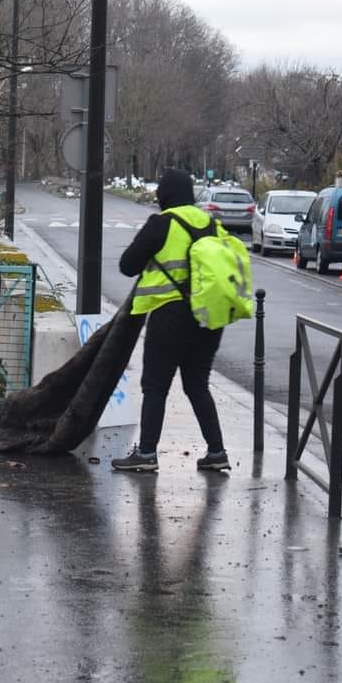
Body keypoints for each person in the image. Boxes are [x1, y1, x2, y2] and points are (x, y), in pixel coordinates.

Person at [110, 168, 230, 472]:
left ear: (164, 196)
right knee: (197, 385)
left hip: (170, 316)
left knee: (155, 385)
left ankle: (147, 453)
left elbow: (127, 265)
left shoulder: (163, 223)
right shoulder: (212, 224)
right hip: (209, 317)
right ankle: (217, 452)